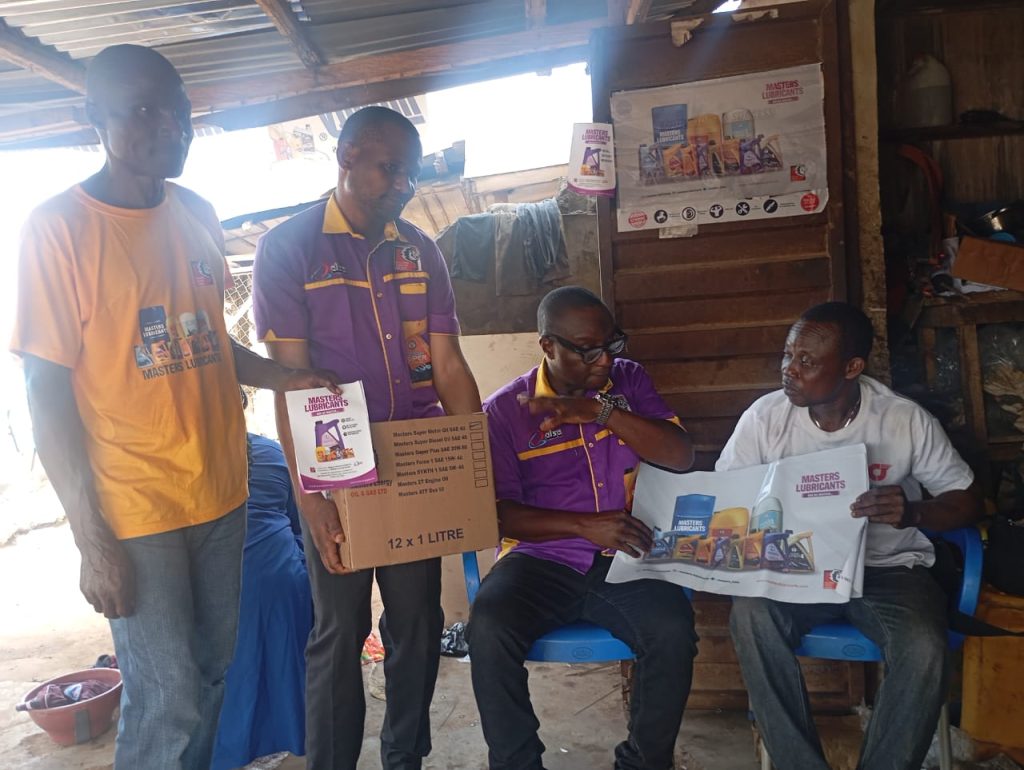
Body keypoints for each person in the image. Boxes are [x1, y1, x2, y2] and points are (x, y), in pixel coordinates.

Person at [10, 44, 338, 770]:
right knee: (167, 700)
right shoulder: (57, 229)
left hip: (222, 494)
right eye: (144, 111)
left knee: (213, 678)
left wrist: (289, 378)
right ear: (94, 119)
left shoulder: (196, 212)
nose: (172, 126)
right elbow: (45, 392)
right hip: (136, 510)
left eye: (180, 110)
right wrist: (92, 541)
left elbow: (208, 342)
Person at [252, 105, 482, 770]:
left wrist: (473, 473)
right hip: (335, 465)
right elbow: (290, 382)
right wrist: (311, 498)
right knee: (339, 630)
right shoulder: (289, 248)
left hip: (414, 461)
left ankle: (403, 758)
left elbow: (448, 366)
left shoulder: (420, 251)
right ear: (347, 156)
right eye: (389, 169)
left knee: (418, 625)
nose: (403, 185)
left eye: (411, 174)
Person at [719, 301, 983, 770]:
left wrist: (914, 512)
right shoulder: (765, 418)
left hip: (888, 571)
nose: (789, 370)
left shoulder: (902, 420)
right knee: (752, 617)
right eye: (788, 355)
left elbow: (966, 500)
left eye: (806, 360)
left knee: (924, 647)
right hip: (795, 568)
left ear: (851, 367)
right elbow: (727, 496)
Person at [467, 286, 699, 770]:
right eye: (588, 350)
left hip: (627, 556)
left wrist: (601, 411)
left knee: (672, 631)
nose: (605, 360)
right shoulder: (504, 412)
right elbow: (499, 516)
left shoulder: (628, 381)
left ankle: (642, 764)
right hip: (539, 561)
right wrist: (584, 526)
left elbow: (680, 455)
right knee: (487, 627)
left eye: (611, 344)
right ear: (548, 346)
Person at [212, 432, 313, 770]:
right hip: (280, 579)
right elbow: (300, 524)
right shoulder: (273, 451)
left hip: (218, 584)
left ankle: (230, 751)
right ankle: (291, 733)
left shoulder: (183, 460)